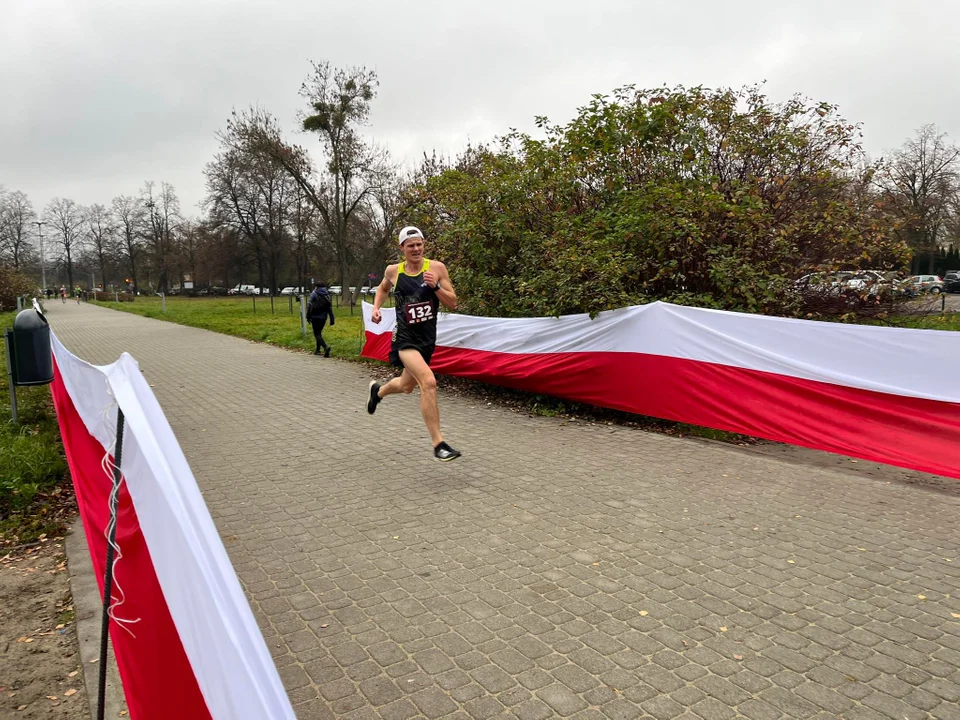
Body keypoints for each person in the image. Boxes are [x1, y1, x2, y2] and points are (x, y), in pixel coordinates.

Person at [367, 226, 461, 461]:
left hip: (427, 339)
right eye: (411, 245)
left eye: (419, 244)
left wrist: (436, 287)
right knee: (428, 382)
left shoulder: (436, 268)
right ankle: (439, 443)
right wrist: (377, 307)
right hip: (405, 338)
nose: (416, 249)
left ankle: (378, 392)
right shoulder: (393, 271)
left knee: (407, 386)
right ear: (402, 249)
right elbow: (382, 288)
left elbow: (453, 303)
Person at [306, 282, 335, 357]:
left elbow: (310, 305)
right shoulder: (327, 295)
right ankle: (317, 350)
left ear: (316, 287)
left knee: (317, 334)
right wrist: (332, 318)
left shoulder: (314, 293)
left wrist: (308, 316)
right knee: (319, 333)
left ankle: (325, 347)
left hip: (315, 316)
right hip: (323, 317)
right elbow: (329, 308)